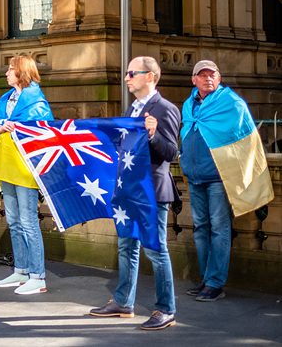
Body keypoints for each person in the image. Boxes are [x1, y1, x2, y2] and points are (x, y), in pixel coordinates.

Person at [90, 56, 179, 330]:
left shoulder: (165, 109)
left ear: (150, 76)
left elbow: (171, 153)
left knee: (155, 249)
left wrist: (152, 135)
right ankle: (123, 302)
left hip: (152, 192)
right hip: (129, 190)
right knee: (126, 246)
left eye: (132, 73)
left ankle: (166, 309)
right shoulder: (132, 109)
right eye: (126, 73)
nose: (126, 78)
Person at [180, 60, 271, 302]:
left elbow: (246, 138)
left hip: (219, 178)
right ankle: (206, 278)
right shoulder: (189, 105)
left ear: (219, 79)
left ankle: (215, 283)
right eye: (203, 75)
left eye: (213, 75)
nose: (208, 78)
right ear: (194, 80)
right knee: (200, 228)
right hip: (194, 177)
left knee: (220, 229)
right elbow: (188, 133)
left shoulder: (231, 103)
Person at [0, 55, 54, 295]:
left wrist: (10, 127)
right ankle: (21, 271)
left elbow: (44, 132)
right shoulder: (6, 98)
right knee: (13, 221)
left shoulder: (37, 101)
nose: (6, 72)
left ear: (22, 72)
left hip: (25, 169)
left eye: (10, 69)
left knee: (28, 222)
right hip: (7, 167)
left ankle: (38, 276)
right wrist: (0, 126)